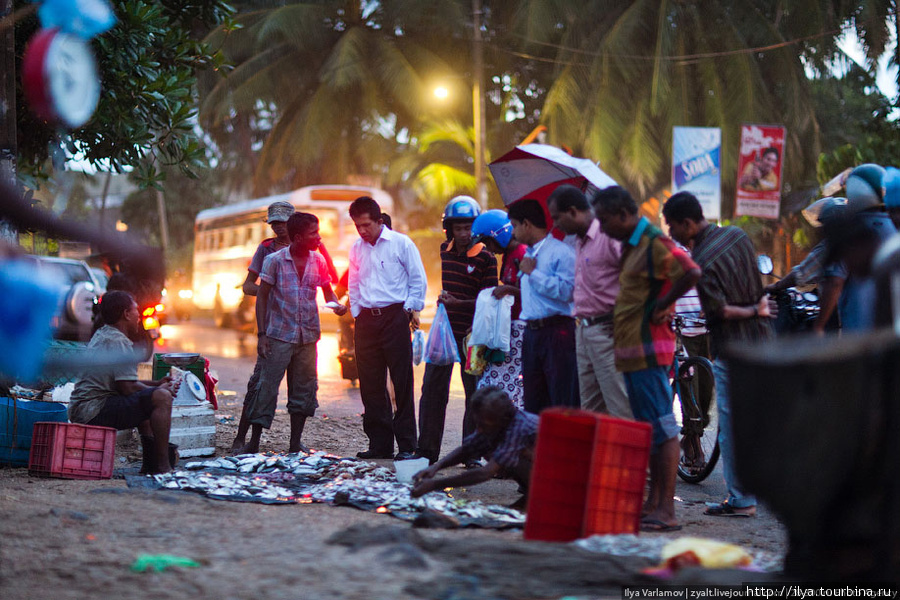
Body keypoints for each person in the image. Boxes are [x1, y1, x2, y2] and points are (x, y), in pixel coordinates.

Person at [593, 186, 700, 532]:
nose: (603, 228)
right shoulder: (632, 246)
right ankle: (654, 505)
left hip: (649, 350)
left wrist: (662, 304)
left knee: (662, 428)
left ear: (624, 215)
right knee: (650, 429)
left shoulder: (653, 241)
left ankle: (666, 509)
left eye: (606, 220)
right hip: (632, 353)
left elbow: (690, 271)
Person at [662, 191, 775, 519]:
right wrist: (758, 308)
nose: (671, 233)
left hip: (733, 348)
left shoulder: (703, 261)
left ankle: (741, 499)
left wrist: (750, 309)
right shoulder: (738, 236)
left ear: (688, 223)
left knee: (731, 424)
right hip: (763, 340)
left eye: (672, 226)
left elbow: (720, 311)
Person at [237, 212, 347, 454]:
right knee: (266, 389)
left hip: (308, 336)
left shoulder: (318, 261)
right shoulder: (274, 260)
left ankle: (295, 443)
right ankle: (253, 442)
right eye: (313, 233)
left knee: (304, 390)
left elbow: (328, 293)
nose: (318, 238)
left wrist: (337, 306)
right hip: (277, 335)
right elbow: (262, 297)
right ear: (298, 237)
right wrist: (262, 335)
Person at [416, 196, 498, 466]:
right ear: (449, 229)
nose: (463, 234)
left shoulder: (487, 258)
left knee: (474, 395)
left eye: (468, 228)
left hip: (474, 336)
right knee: (432, 392)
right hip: (445, 333)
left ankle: (471, 454)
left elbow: (488, 299)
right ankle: (426, 452)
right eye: (458, 228)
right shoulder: (445, 250)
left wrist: (457, 302)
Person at [348, 196, 427, 460]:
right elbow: (354, 283)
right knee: (370, 384)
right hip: (366, 321)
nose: (362, 231)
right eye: (357, 226)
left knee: (401, 383)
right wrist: (357, 312)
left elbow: (418, 280)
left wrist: (409, 309)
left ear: (380, 221)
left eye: (366, 225)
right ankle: (380, 445)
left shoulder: (401, 244)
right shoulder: (357, 248)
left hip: (395, 316)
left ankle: (407, 445)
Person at [68, 290, 180, 474]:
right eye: (136, 310)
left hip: (84, 409)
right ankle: (162, 466)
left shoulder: (104, 333)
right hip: (93, 411)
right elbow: (127, 388)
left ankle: (150, 466)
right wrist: (159, 390)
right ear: (126, 314)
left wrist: (157, 383)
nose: (138, 315)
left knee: (149, 402)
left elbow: (125, 381)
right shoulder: (118, 341)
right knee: (161, 398)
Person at [546, 185, 631, 419]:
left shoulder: (608, 236)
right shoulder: (580, 242)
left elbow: (635, 278)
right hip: (584, 330)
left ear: (573, 211)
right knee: (591, 409)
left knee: (619, 406)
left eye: (557, 217)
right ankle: (600, 456)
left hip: (608, 330)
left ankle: (628, 455)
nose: (555, 225)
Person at [501, 198, 578, 413]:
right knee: (534, 400)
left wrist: (533, 274)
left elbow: (567, 292)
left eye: (515, 226)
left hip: (557, 331)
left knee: (560, 397)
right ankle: (539, 445)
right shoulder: (530, 253)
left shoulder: (561, 253)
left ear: (527, 224)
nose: (513, 233)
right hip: (532, 333)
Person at [230, 200, 294, 452]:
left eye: (282, 222)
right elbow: (248, 285)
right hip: (271, 325)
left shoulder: (305, 249)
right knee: (259, 385)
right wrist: (270, 292)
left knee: (299, 392)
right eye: (274, 223)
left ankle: (293, 443)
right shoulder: (266, 249)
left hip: (298, 328)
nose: (278, 227)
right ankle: (243, 438)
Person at [411, 385, 537, 510]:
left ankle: (538, 496)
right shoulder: (499, 423)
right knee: (489, 445)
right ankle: (531, 495)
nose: (479, 429)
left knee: (508, 458)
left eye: (484, 424)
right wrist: (436, 467)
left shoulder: (519, 429)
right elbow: (468, 448)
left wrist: (435, 484)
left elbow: (485, 473)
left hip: (553, 476)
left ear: (503, 419)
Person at [471, 209, 528, 410]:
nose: (491, 249)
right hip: (506, 327)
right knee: (490, 380)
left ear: (499, 235)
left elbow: (533, 292)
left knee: (504, 383)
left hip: (521, 327)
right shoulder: (506, 257)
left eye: (490, 243)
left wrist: (508, 289)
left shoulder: (522, 253)